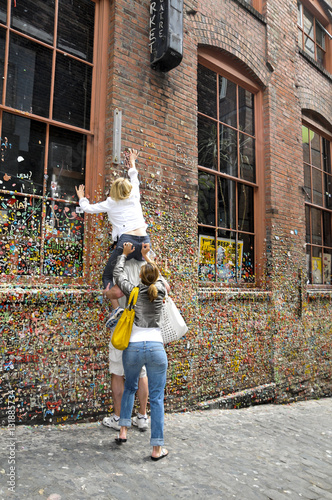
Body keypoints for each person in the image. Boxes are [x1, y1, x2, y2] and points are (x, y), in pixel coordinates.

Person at [75, 148, 152, 328]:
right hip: (145, 242)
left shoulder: (111, 202)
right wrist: (132, 160)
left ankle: (117, 308)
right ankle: (147, 300)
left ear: (113, 192)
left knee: (108, 275)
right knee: (143, 272)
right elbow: (134, 176)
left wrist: (81, 198)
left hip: (127, 242)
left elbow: (88, 209)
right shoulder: (135, 195)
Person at [112, 241, 169, 461]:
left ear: (141, 278)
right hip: (155, 348)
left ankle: (123, 430)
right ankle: (156, 449)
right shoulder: (161, 289)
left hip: (134, 347)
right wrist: (148, 258)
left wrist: (124, 255)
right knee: (156, 399)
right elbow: (159, 276)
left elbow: (118, 276)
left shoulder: (133, 290)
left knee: (129, 388)